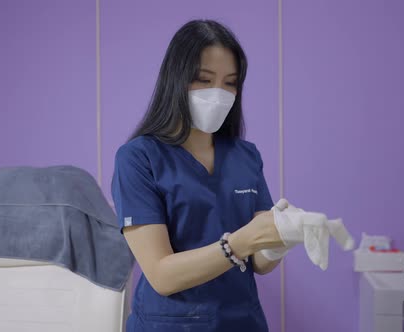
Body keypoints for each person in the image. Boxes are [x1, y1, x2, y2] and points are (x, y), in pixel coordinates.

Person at [111, 19, 285, 332]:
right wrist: (237, 245)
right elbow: (162, 276)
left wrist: (280, 239)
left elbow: (259, 263)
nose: (218, 93)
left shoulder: (246, 156)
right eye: (204, 80)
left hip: (242, 323)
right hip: (171, 325)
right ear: (175, 79)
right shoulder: (138, 158)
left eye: (230, 83)